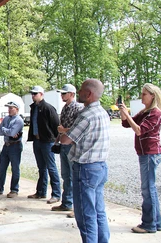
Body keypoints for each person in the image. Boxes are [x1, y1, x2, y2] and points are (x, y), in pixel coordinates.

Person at [60, 79, 110, 243]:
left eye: (81, 89)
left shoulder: (87, 115)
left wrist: (62, 132)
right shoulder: (103, 112)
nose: (79, 92)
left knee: (85, 213)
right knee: (98, 210)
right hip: (100, 167)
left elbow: (67, 140)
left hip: (86, 169)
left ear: (88, 94)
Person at [119, 83, 161, 233]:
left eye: (144, 94)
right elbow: (126, 124)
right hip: (145, 154)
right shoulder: (145, 112)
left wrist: (127, 113)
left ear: (153, 96)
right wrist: (122, 111)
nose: (141, 96)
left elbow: (139, 130)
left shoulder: (155, 113)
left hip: (150, 154)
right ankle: (155, 223)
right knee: (150, 189)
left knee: (148, 189)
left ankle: (149, 224)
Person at [51, 84, 84, 215]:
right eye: (62, 93)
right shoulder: (65, 108)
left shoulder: (78, 108)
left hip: (72, 145)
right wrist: (58, 139)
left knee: (74, 176)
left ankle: (76, 206)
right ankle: (67, 203)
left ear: (72, 94)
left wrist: (63, 130)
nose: (62, 95)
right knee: (66, 176)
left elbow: (80, 129)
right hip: (64, 145)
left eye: (64, 93)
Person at [27, 85, 61, 204]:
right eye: (32, 94)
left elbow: (56, 125)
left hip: (47, 141)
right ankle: (41, 192)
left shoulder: (48, 108)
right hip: (37, 141)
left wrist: (55, 140)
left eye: (35, 94)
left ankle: (56, 194)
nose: (33, 96)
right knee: (41, 168)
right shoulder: (34, 108)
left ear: (41, 94)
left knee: (51, 167)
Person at [0, 101, 24, 198]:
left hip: (15, 145)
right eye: (8, 108)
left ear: (16, 109)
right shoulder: (6, 118)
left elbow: (12, 133)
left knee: (15, 168)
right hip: (6, 145)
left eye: (11, 108)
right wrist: (7, 131)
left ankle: (14, 189)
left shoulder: (19, 120)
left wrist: (6, 130)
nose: (9, 110)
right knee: (2, 168)